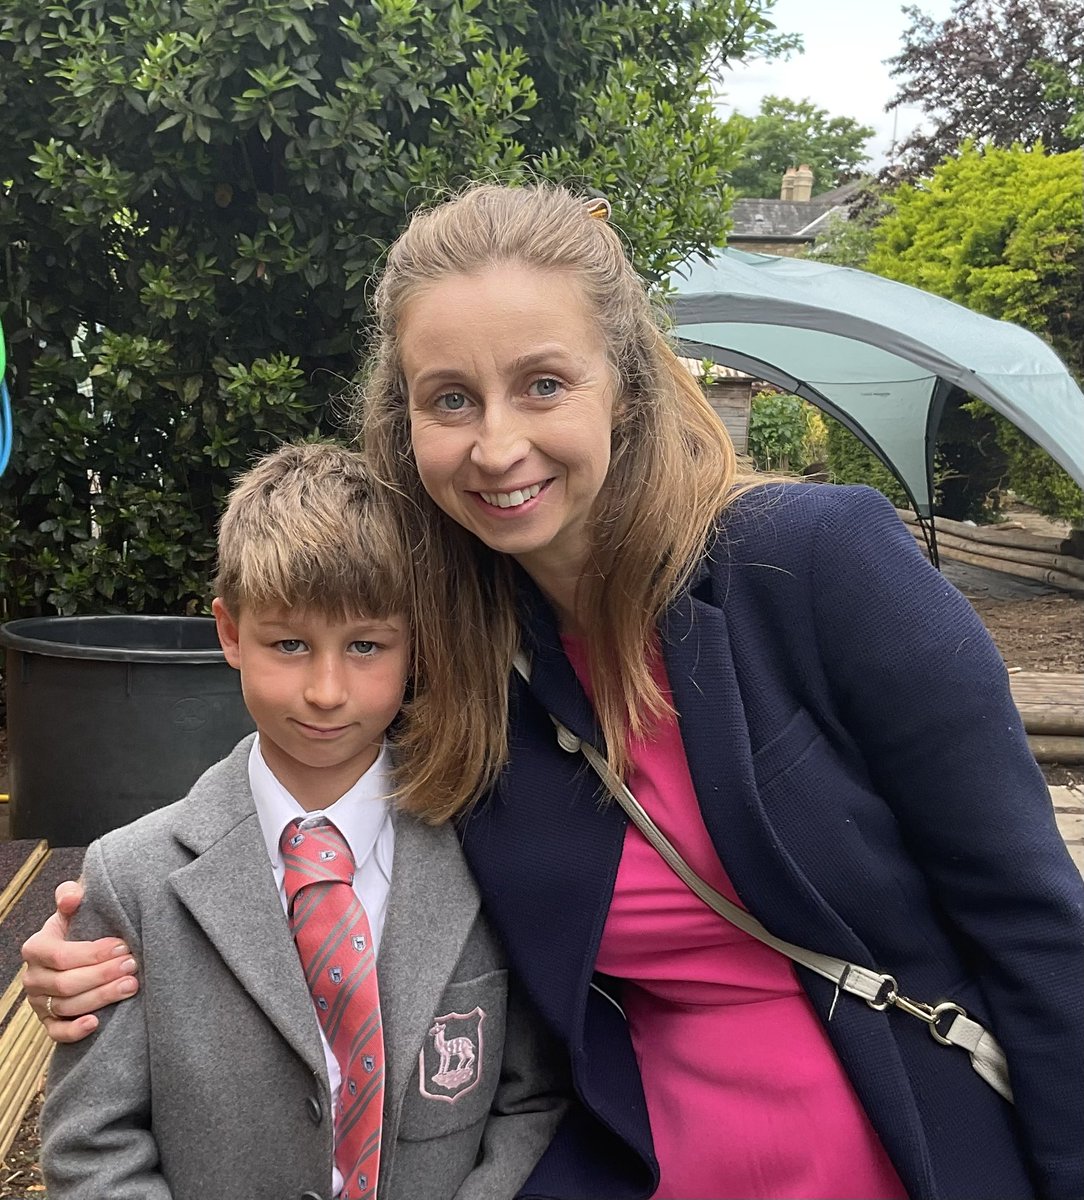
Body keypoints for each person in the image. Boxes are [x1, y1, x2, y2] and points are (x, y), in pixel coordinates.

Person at [24, 184, 1084, 1200]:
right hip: (626, 1167)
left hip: (906, 1152)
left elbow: (1036, 932)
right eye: (451, 399)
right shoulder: (457, 657)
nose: (496, 446)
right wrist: (118, 945)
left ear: (624, 380)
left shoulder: (813, 568)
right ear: (405, 425)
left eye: (542, 384)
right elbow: (329, 838)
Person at [37, 442, 565, 1200]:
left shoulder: (487, 847)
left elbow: (532, 1102)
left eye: (365, 646)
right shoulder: (133, 878)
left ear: (415, 641)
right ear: (228, 632)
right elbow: (92, 1145)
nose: (325, 690)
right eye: (288, 644)